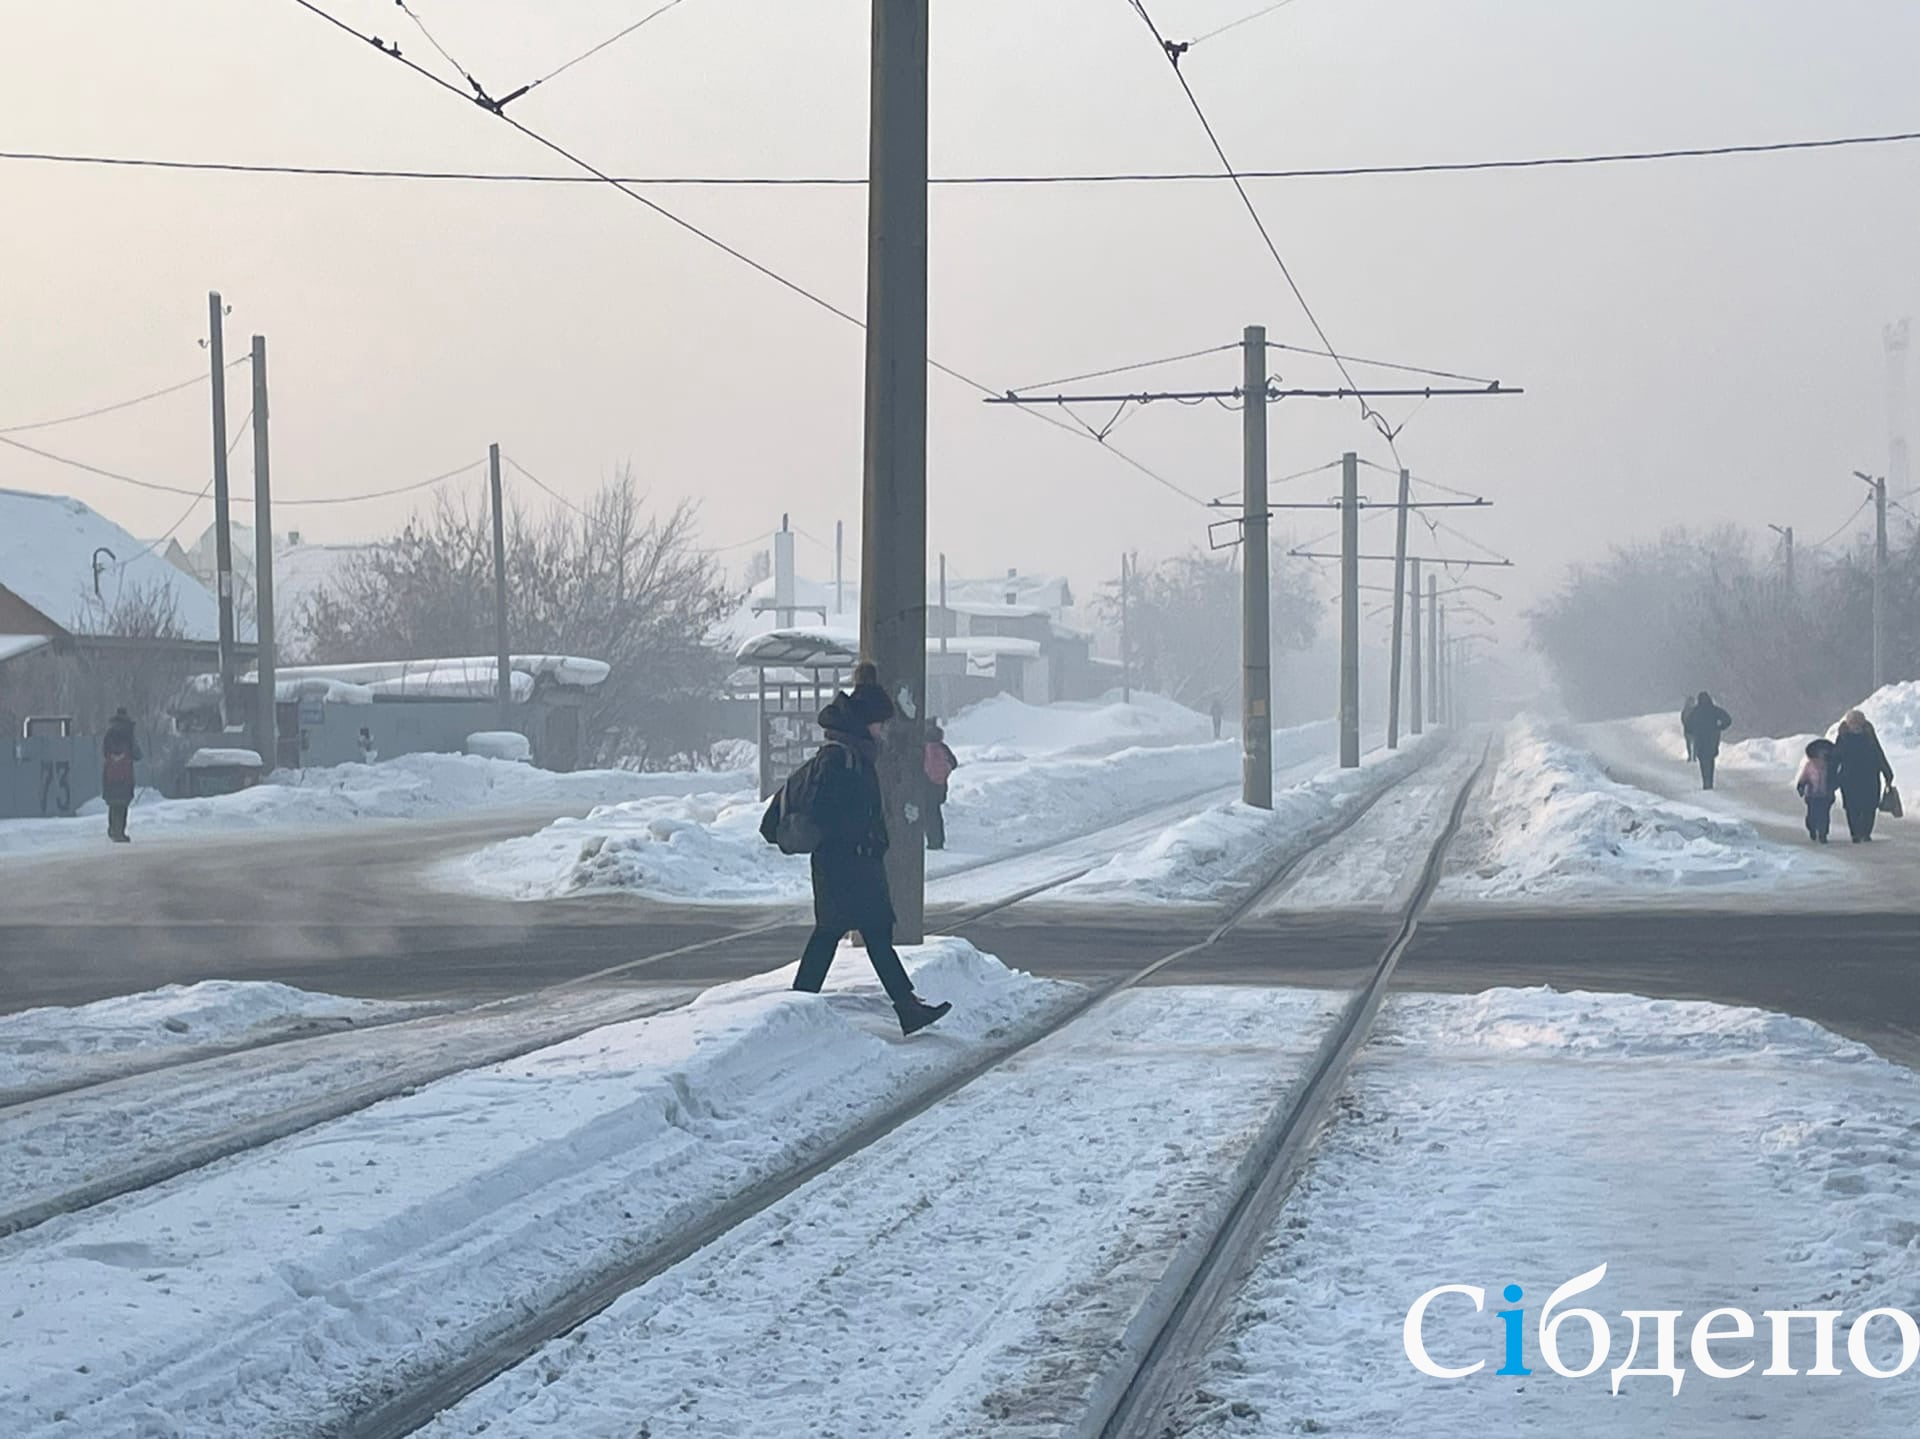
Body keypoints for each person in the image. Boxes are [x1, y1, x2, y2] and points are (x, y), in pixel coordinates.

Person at [791, 673, 951, 1035]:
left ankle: (906, 1006)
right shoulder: (838, 758)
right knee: (831, 933)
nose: (882, 731)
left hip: (855, 862)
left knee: (870, 933)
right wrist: (860, 836)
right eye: (879, 723)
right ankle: (798, 1003)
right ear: (864, 722)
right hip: (843, 863)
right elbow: (828, 811)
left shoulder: (852, 755)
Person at [1832, 708, 1896, 843]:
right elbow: (1836, 757)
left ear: (1863, 723)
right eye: (1853, 722)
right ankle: (1855, 833)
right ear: (1848, 724)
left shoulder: (1869, 736)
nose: (1855, 725)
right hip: (1849, 779)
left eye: (1858, 722)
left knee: (1869, 806)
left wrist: (1887, 773)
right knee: (1852, 807)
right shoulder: (1843, 737)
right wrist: (1831, 775)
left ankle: (1866, 833)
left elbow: (1879, 755)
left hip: (1869, 778)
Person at [101, 707, 141, 843]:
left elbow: (104, 752)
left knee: (113, 804)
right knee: (123, 804)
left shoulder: (109, 734)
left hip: (110, 774)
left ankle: (113, 829)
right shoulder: (128, 734)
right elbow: (137, 754)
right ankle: (120, 831)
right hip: (125, 774)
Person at [1682, 691, 1731, 790]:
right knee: (1710, 759)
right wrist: (1720, 727)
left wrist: (1693, 731)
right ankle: (1710, 781)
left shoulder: (1696, 711)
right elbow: (1728, 719)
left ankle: (1705, 781)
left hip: (1700, 739)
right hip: (1712, 738)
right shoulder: (1714, 710)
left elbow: (1688, 725)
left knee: (1703, 760)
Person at [923, 722, 959, 851]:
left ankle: (933, 842)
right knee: (935, 813)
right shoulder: (943, 747)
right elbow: (954, 763)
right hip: (940, 786)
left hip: (927, 786)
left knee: (929, 814)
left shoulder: (924, 748)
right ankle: (938, 840)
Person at [1795, 737, 1837, 844]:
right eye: (1819, 753)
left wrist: (1834, 786)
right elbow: (1804, 776)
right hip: (1812, 795)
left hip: (1825, 795)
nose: (1821, 756)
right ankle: (1812, 828)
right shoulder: (1809, 765)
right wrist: (1801, 785)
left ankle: (1823, 833)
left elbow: (1835, 777)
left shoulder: (1830, 766)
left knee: (1824, 815)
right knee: (1812, 815)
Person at [1680, 695, 1698, 762]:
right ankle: (1693, 756)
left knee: (1690, 743)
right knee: (1694, 743)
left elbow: (1683, 719)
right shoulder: (1695, 710)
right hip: (1693, 729)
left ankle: (1691, 756)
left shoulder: (1685, 710)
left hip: (1688, 729)